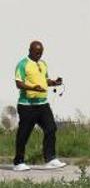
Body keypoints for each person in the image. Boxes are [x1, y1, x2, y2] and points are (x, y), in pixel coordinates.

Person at [13, 41, 66, 171]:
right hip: (27, 106)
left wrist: (54, 82)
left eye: (41, 53)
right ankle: (18, 162)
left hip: (42, 105)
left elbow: (44, 80)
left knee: (51, 128)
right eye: (36, 52)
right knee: (24, 133)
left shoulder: (42, 64)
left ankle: (50, 159)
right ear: (30, 50)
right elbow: (19, 84)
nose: (39, 55)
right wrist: (33, 88)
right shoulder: (23, 64)